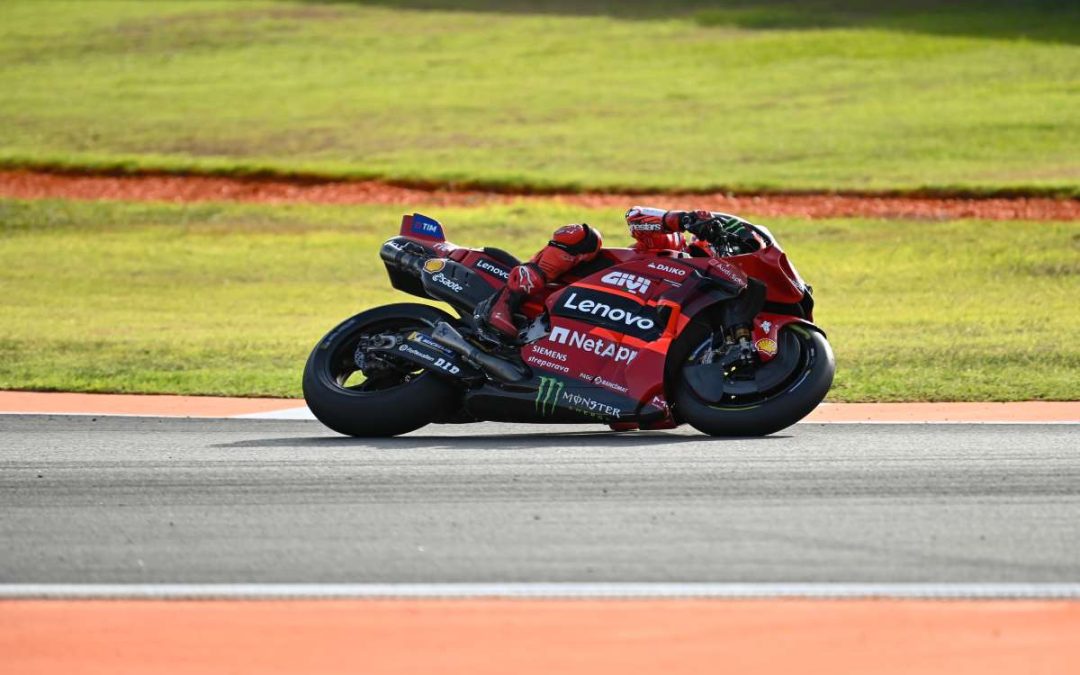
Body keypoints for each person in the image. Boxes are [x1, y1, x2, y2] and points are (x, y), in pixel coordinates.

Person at [479, 206, 724, 340]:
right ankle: (503, 304)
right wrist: (681, 219)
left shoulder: (704, 295)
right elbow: (634, 216)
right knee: (583, 236)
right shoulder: (674, 244)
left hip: (603, 329)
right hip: (579, 284)